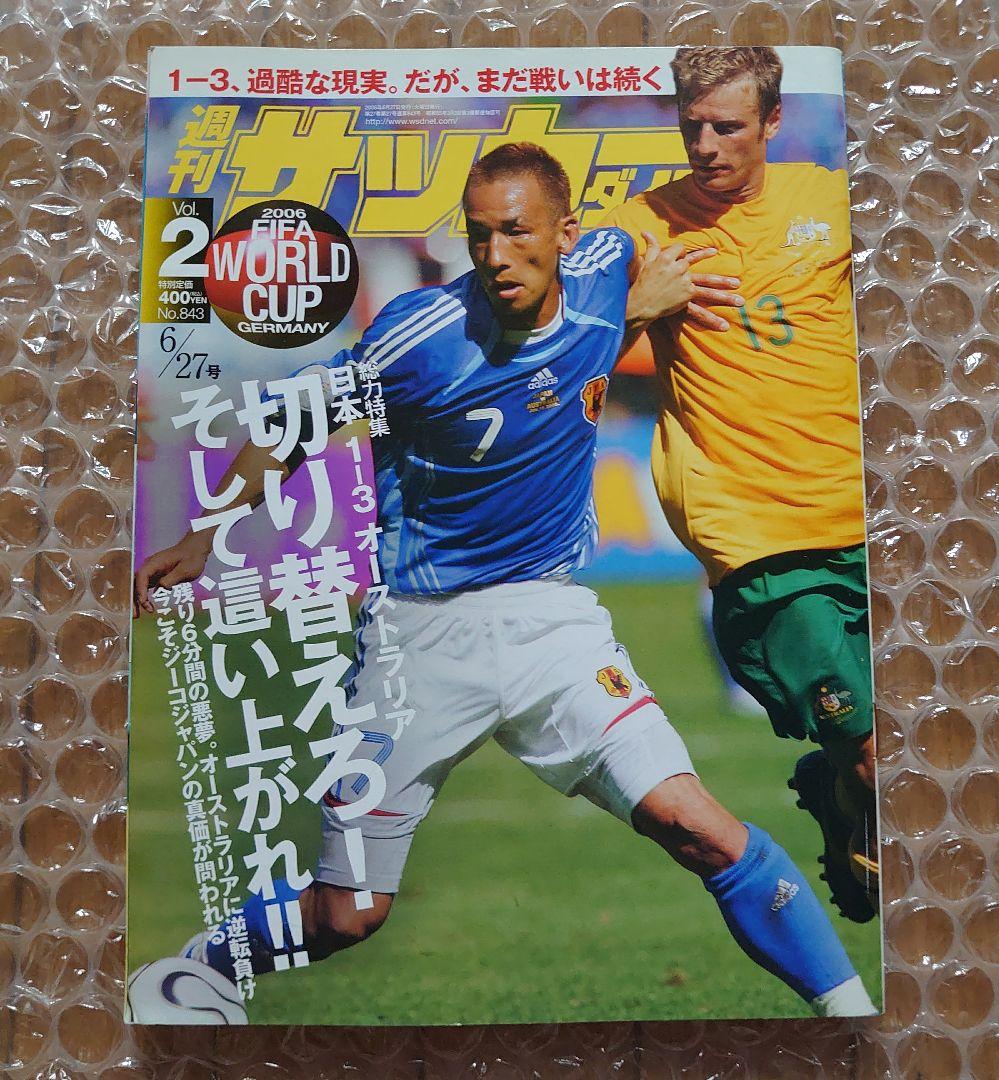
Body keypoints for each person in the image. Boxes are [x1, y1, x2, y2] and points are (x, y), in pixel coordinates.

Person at [134, 141, 874, 1016]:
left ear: (566, 234)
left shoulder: (609, 266)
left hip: (552, 627)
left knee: (703, 830)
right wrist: (205, 534)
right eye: (479, 234)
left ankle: (853, 1021)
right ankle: (203, 963)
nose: (494, 255)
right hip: (418, 641)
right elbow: (293, 421)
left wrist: (650, 305)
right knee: (347, 915)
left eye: (517, 232)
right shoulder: (420, 336)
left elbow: (680, 239)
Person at [604, 47, 879, 922]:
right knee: (877, 754)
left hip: (869, 523)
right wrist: (636, 309)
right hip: (759, 538)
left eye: (727, 127)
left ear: (773, 122)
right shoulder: (641, 228)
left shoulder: (833, 200)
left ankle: (838, 799)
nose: (706, 146)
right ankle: (847, 784)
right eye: (692, 127)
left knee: (898, 758)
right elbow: (558, 354)